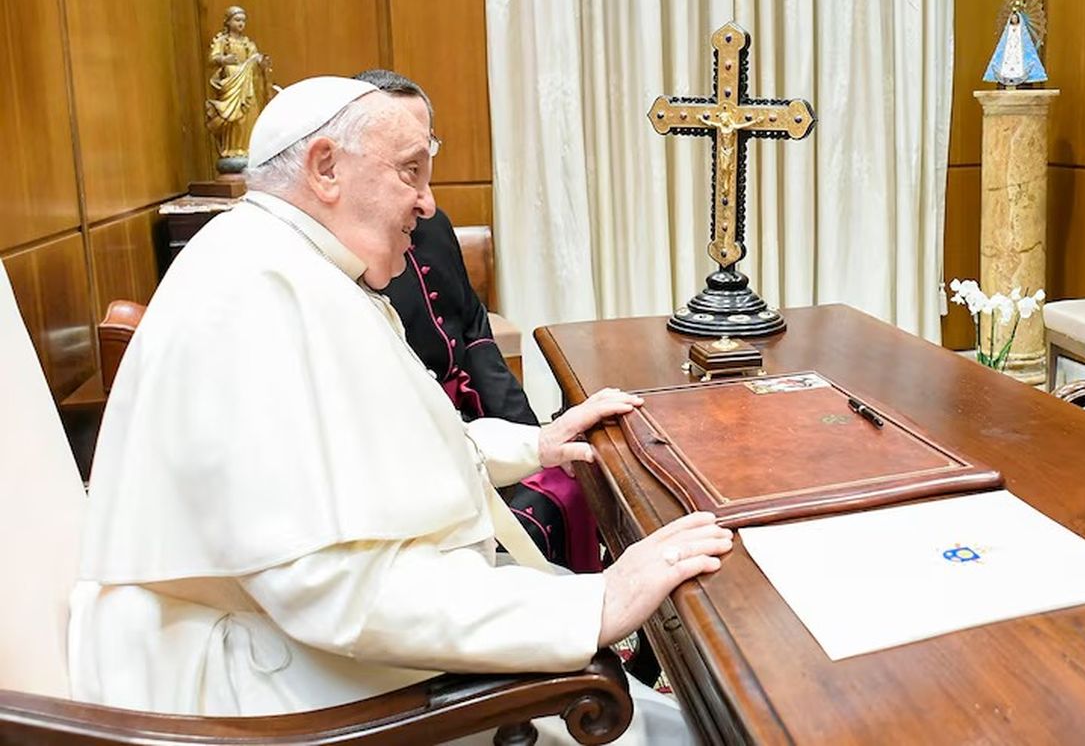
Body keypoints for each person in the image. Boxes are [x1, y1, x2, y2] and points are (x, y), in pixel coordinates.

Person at [69, 76, 732, 741]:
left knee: (679, 721)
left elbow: (386, 458)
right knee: (679, 733)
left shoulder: (295, 264)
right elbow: (329, 587)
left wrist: (536, 444)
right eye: (410, 172)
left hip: (324, 645)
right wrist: (596, 603)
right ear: (326, 167)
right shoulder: (255, 294)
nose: (427, 203)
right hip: (271, 693)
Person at [351, 68, 599, 572]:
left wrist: (528, 433)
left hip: (473, 426)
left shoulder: (435, 225)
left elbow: (474, 336)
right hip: (418, 453)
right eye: (405, 166)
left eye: (426, 158)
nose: (425, 199)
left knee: (571, 480)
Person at [204, 5, 270, 174]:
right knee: (235, 120)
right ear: (228, 21)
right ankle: (232, 149)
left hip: (247, 86)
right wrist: (224, 59)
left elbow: (255, 61)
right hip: (232, 83)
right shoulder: (222, 41)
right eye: (237, 20)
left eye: (243, 20)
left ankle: (245, 148)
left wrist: (261, 63)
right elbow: (212, 59)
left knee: (249, 115)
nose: (241, 23)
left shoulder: (248, 44)